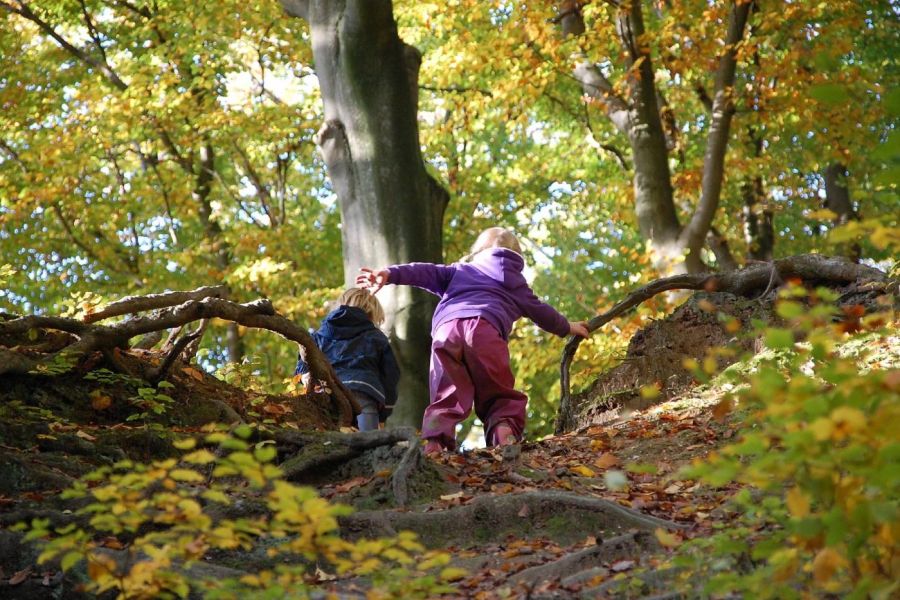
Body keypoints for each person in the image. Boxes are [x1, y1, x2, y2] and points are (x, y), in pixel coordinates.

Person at [356, 227, 589, 453]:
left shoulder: (459, 270)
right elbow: (541, 311)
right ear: (517, 257)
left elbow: (423, 271)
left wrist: (389, 274)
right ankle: (503, 435)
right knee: (498, 394)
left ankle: (435, 444)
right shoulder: (516, 283)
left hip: (446, 332)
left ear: (476, 252)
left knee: (446, 395)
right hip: (485, 331)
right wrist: (568, 326)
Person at [295, 288, 400, 431]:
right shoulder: (376, 337)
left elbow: (303, 366)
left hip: (327, 392)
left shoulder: (319, 336)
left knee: (329, 440)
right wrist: (385, 411)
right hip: (363, 392)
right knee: (369, 444)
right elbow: (390, 376)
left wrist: (307, 379)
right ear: (371, 313)